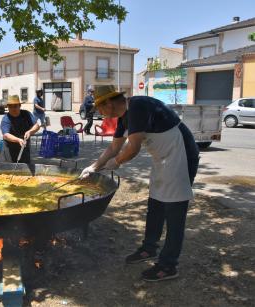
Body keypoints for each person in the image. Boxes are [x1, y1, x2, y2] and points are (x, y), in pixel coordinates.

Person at [80, 85, 199, 282]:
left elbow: (132, 147)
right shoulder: (124, 117)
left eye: (99, 107)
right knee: (156, 204)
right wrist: (94, 166)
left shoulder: (138, 106)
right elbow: (114, 146)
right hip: (162, 159)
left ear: (108, 103)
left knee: (175, 212)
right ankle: (149, 248)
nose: (99, 112)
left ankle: (169, 265)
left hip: (181, 154)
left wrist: (116, 163)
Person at [0, 95, 40, 163]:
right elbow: (6, 135)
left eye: (15, 106)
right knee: (8, 171)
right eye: (10, 106)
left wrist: (30, 132)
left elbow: (37, 126)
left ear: (19, 105)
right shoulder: (5, 119)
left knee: (24, 170)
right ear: (8, 107)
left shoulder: (26, 114)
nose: (13, 109)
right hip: (9, 149)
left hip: (24, 148)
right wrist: (18, 140)